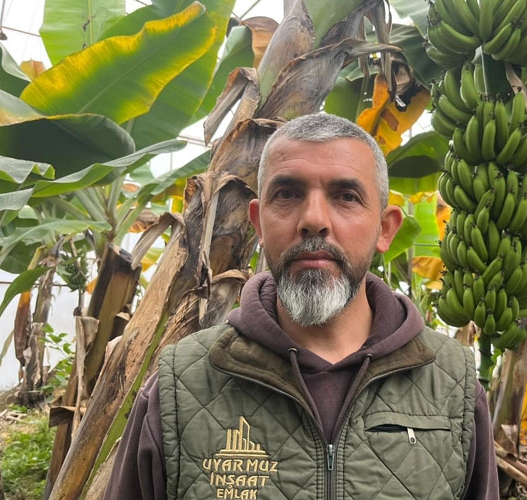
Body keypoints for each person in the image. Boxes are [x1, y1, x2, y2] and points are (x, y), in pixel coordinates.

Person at [105, 113, 499, 499]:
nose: (313, 220)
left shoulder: (453, 386)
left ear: (384, 228)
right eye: (288, 194)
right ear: (258, 224)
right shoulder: (180, 388)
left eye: (346, 197)